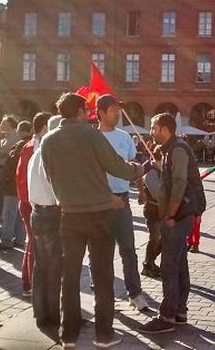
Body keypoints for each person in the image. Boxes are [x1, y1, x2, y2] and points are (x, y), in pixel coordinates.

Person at [41, 93, 146, 348]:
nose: (88, 114)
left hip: (69, 215)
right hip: (99, 214)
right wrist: (140, 169)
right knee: (102, 276)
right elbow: (118, 167)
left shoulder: (48, 140)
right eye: (85, 110)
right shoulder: (91, 135)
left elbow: (49, 175)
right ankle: (103, 335)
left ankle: (68, 335)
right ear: (78, 112)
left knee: (70, 276)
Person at [139, 113, 206, 334]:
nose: (151, 132)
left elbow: (179, 184)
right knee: (180, 264)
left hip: (179, 215)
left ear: (164, 129)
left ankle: (167, 316)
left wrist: (169, 214)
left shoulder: (176, 149)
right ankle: (179, 312)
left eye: (153, 128)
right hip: (182, 213)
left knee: (169, 266)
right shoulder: (172, 149)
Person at [96, 94, 148, 311]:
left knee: (128, 249)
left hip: (123, 201)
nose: (118, 114)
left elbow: (133, 164)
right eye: (113, 110)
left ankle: (135, 293)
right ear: (100, 113)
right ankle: (100, 295)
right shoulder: (91, 137)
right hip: (98, 203)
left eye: (118, 110)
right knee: (100, 252)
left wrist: (141, 189)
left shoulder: (124, 137)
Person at [28, 115, 62, 338]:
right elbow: (57, 189)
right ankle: (53, 314)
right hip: (51, 213)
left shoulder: (36, 153)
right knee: (54, 266)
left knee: (41, 265)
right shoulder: (53, 154)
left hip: (36, 212)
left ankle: (40, 312)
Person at [16, 112, 52, 297]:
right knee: (34, 244)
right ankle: (32, 285)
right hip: (32, 203)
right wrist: (30, 202)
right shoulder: (32, 147)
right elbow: (23, 179)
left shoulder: (30, 146)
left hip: (31, 202)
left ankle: (28, 282)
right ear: (45, 127)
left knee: (32, 243)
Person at [0, 121, 32, 251]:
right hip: (24, 185)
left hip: (13, 184)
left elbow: (10, 166)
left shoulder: (19, 145)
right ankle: (20, 239)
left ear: (20, 131)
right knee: (19, 214)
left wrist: (2, 182)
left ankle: (6, 240)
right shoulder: (32, 144)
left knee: (8, 213)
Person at [139, 142, 163, 279]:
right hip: (153, 210)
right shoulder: (151, 173)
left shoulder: (163, 172)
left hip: (162, 210)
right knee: (155, 238)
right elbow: (157, 194)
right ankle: (148, 265)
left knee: (163, 240)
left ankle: (150, 263)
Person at [0, 115, 19, 219]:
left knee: (3, 195)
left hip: (6, 168)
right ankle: (2, 221)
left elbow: (3, 152)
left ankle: (6, 222)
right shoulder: (2, 136)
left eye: (3, 123)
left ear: (10, 124)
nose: (1, 125)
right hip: (0, 167)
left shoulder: (14, 135)